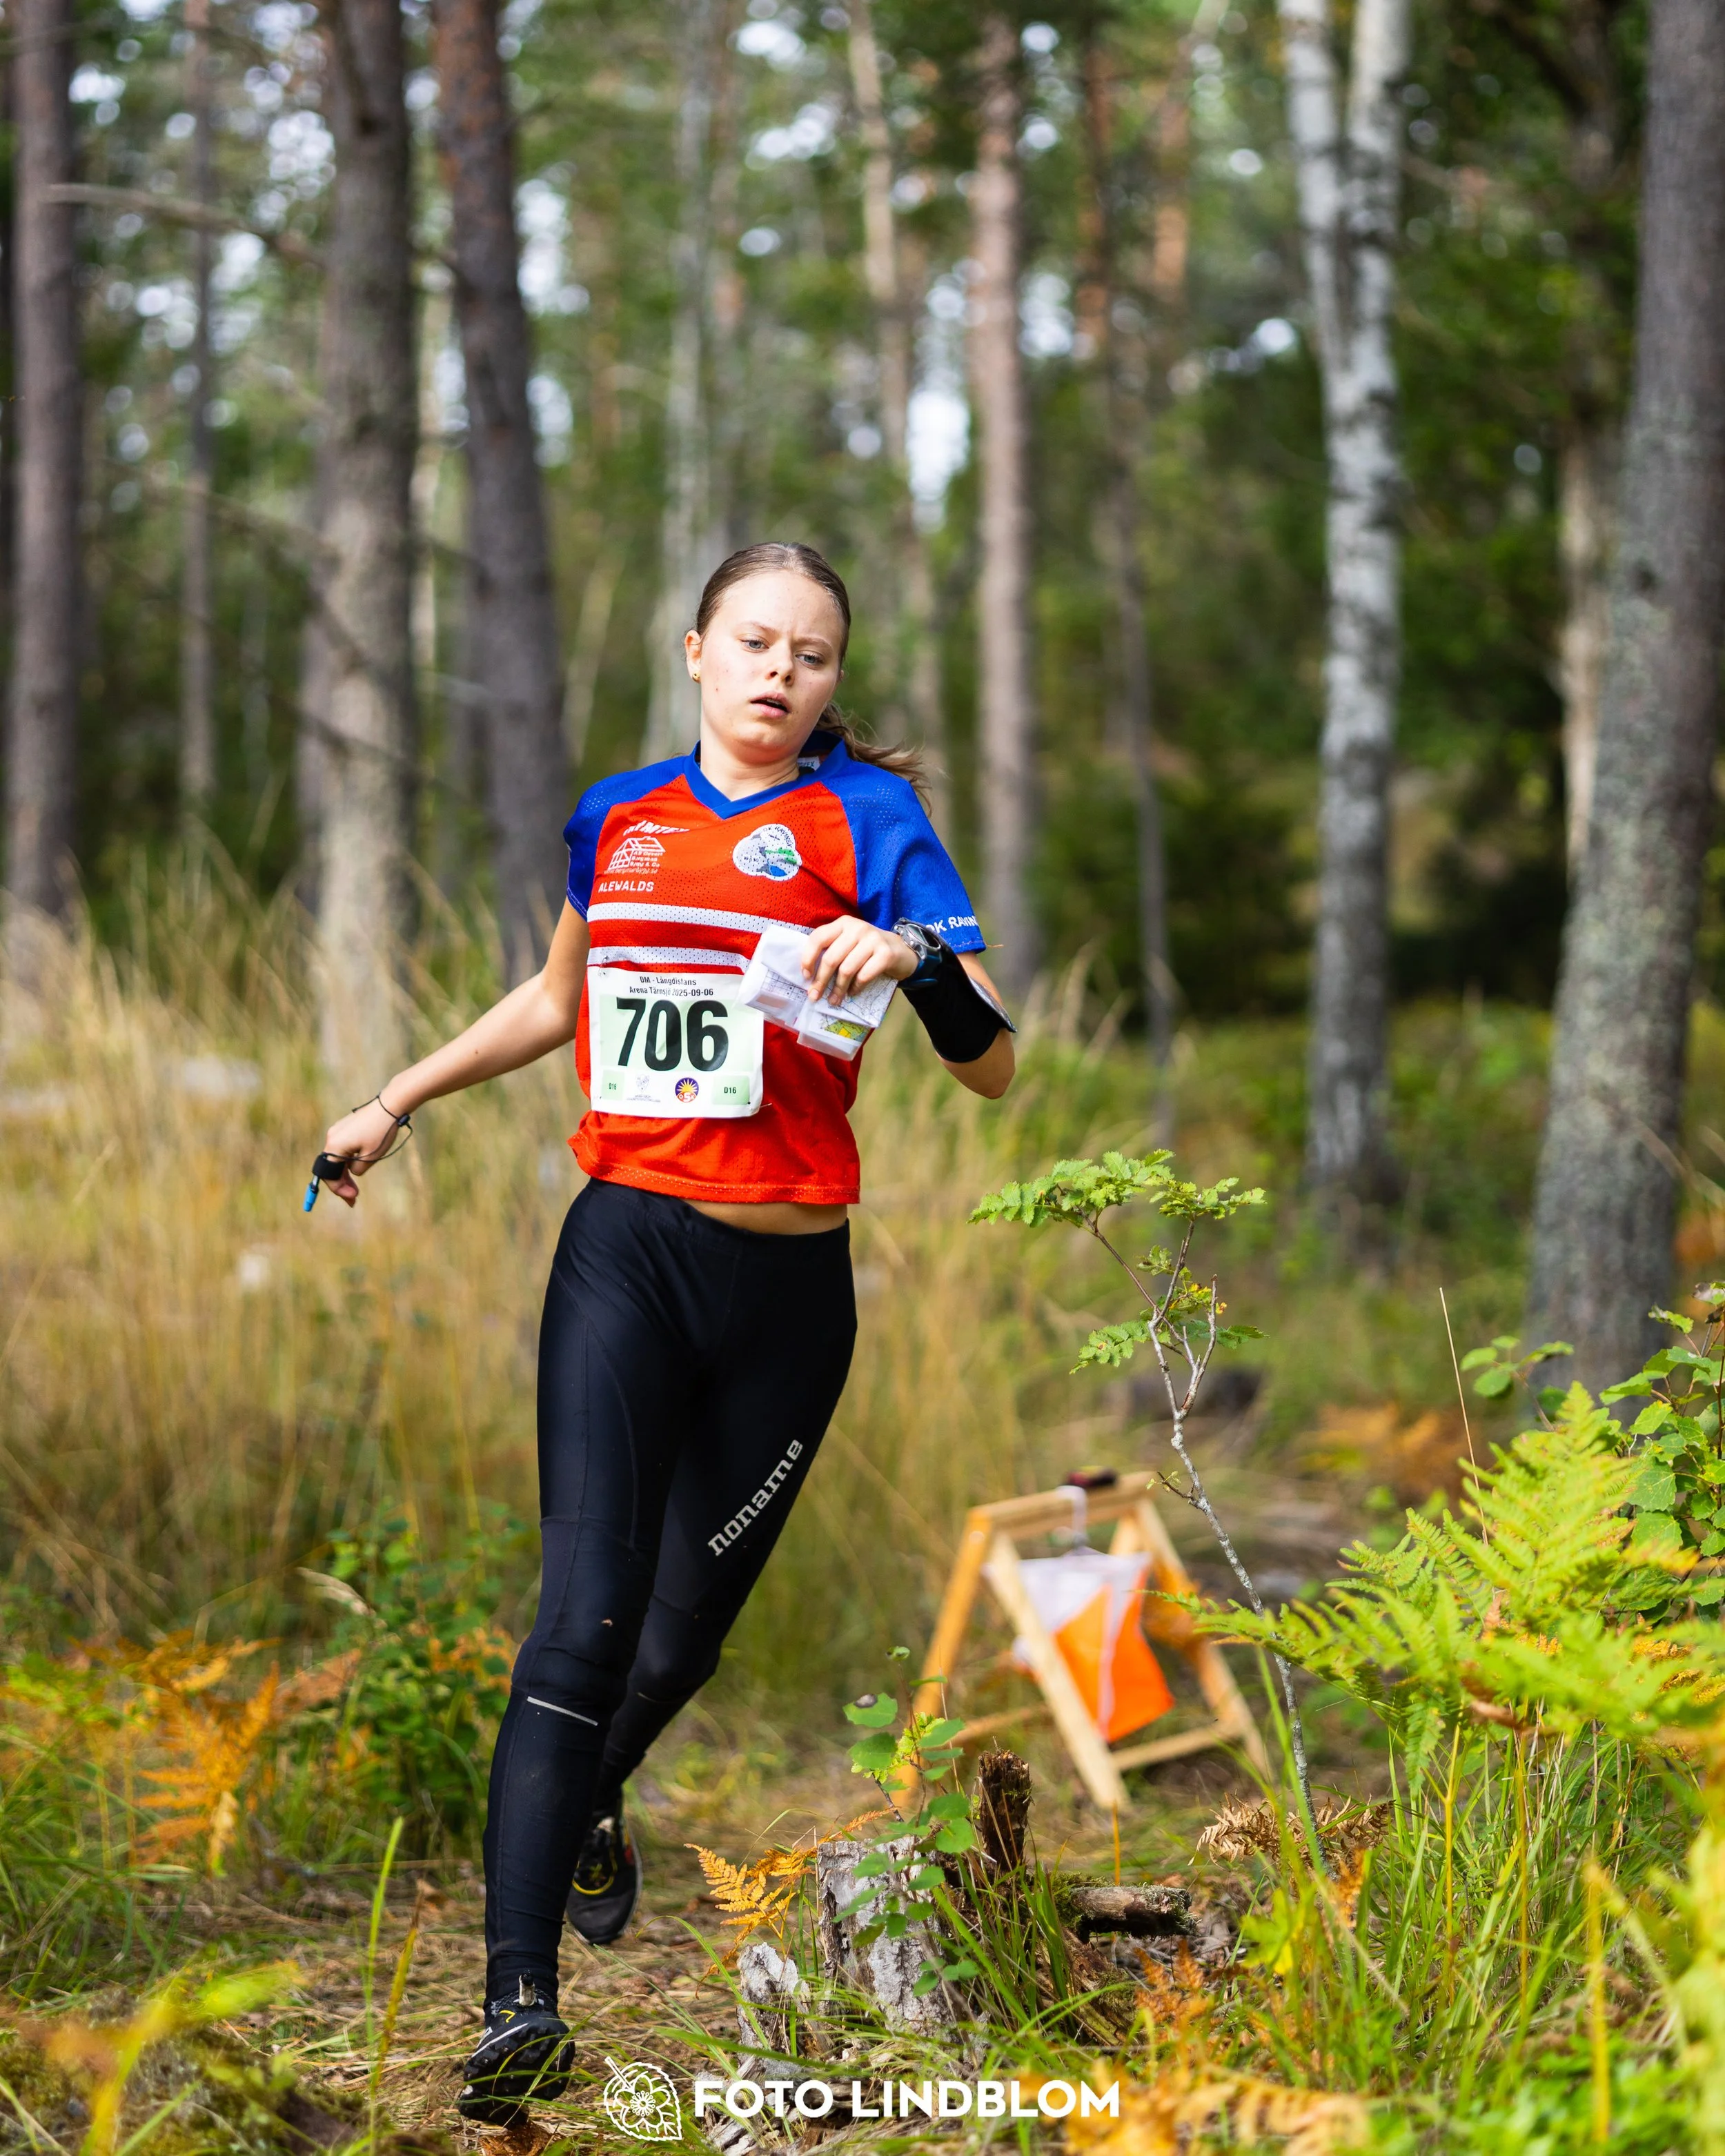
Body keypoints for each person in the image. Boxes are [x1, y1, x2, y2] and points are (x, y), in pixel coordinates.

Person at [318, 542, 1016, 2124]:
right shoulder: (615, 815)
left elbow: (993, 1066)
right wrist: (395, 1097)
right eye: (755, 641)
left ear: (832, 680)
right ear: (696, 649)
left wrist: (913, 960)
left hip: (790, 1294)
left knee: (678, 1639)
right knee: (579, 1620)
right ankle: (516, 2003)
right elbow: (556, 998)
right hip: (625, 1254)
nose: (781, 671)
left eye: (812, 654)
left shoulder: (870, 823)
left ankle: (598, 1790)